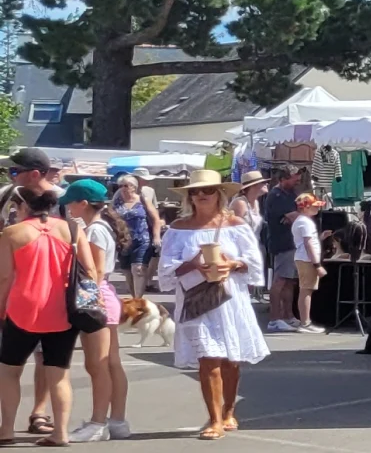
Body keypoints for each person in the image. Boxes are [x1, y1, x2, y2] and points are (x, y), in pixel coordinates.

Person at [156, 169, 269, 440]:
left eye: (207, 190)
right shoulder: (178, 229)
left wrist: (232, 263)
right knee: (208, 360)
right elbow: (165, 271)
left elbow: (253, 263)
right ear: (189, 197)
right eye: (195, 191)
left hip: (229, 299)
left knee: (231, 361)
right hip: (195, 300)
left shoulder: (235, 225)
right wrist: (192, 264)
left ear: (219, 194)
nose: (201, 195)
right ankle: (214, 419)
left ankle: (229, 410)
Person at [0, 170, 86, 446]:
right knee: (58, 374)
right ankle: (60, 432)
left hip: (22, 308)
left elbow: (5, 277)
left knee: (10, 370)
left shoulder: (12, 233)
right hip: (62, 308)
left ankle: (7, 430)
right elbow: (91, 270)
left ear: (22, 206)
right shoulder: (72, 229)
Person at [59, 180, 133, 442]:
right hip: (104, 297)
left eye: (71, 201)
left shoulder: (93, 231)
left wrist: (86, 300)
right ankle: (117, 421)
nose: (67, 206)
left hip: (95, 297)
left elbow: (96, 270)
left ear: (83, 204)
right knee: (110, 363)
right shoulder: (97, 227)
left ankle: (98, 423)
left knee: (98, 364)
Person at [3, 148, 68, 438]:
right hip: (20, 288)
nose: (9, 176)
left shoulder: (64, 202)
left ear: (35, 174)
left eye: (14, 171)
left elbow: (82, 249)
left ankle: (39, 412)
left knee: (44, 361)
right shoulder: (7, 195)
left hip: (44, 292)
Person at [260, 166, 303, 333]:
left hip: (292, 243)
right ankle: (274, 319)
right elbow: (291, 216)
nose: (297, 182)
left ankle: (288, 316)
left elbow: (296, 214)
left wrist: (295, 215)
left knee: (290, 281)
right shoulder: (275, 196)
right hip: (282, 243)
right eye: (295, 179)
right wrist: (294, 216)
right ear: (283, 179)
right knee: (280, 281)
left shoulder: (290, 194)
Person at [112, 175, 161, 300]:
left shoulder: (142, 200)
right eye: (121, 186)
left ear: (134, 187)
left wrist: (156, 237)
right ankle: (134, 298)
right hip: (123, 241)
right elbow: (110, 217)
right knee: (127, 272)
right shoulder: (116, 201)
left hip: (142, 239)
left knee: (138, 269)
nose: (123, 188)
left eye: (126, 185)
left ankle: (139, 299)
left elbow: (155, 219)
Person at [287, 193, 327, 334]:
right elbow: (308, 244)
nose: (317, 209)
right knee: (306, 291)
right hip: (307, 260)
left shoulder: (302, 221)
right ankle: (305, 323)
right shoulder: (305, 222)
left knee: (306, 290)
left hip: (304, 258)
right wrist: (317, 265)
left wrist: (321, 237)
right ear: (305, 208)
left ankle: (305, 322)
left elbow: (309, 242)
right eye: (314, 206)